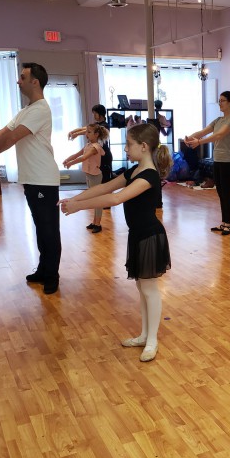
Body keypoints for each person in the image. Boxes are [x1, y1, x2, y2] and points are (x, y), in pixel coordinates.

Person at [59, 123, 172, 362]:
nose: (126, 149)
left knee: (149, 289)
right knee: (142, 288)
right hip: (137, 235)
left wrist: (78, 207)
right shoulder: (134, 171)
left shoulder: (149, 176)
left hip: (150, 236)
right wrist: (74, 198)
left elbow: (115, 198)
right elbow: (104, 187)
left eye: (129, 144)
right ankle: (144, 335)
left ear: (143, 146)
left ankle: (152, 340)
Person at [0, 62, 61, 295]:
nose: (18, 81)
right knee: (41, 228)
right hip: (32, 178)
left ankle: (52, 275)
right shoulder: (27, 110)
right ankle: (43, 269)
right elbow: (3, 132)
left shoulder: (41, 109)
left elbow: (12, 138)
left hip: (43, 179)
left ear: (35, 82)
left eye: (22, 77)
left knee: (49, 229)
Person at [184, 91, 230, 236]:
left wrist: (199, 142)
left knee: (226, 193)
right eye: (219, 101)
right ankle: (223, 223)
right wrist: (189, 138)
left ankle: (228, 225)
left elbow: (218, 135)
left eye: (223, 100)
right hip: (217, 161)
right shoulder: (218, 120)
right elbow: (203, 132)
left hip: (228, 161)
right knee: (220, 192)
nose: (220, 103)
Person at [63, 123, 109, 233]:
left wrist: (71, 163)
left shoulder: (95, 147)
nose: (86, 134)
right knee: (93, 199)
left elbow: (83, 157)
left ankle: (98, 224)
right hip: (89, 175)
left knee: (97, 200)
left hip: (95, 176)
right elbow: (78, 154)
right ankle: (94, 222)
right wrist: (68, 159)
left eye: (89, 132)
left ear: (96, 134)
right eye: (86, 132)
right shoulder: (88, 145)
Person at [69, 104, 113, 183]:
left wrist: (76, 134)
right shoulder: (97, 125)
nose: (94, 115)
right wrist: (73, 132)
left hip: (104, 156)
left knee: (104, 182)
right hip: (99, 156)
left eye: (95, 113)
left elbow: (86, 130)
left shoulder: (104, 126)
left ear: (100, 113)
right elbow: (85, 128)